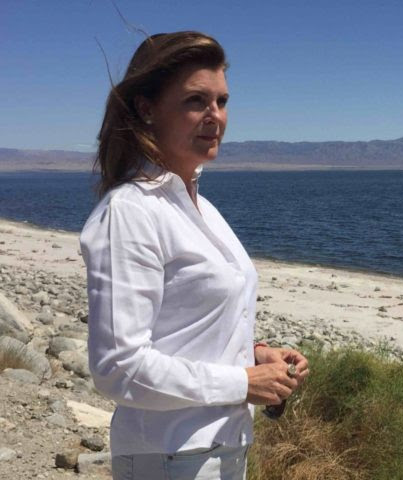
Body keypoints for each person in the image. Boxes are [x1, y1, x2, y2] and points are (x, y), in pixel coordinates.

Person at [80, 31, 309, 480]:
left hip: (221, 450)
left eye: (222, 101)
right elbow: (118, 368)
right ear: (147, 109)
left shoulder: (199, 206)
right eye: (195, 101)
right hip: (171, 457)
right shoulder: (131, 211)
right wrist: (243, 382)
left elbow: (184, 326)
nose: (215, 116)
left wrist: (256, 354)